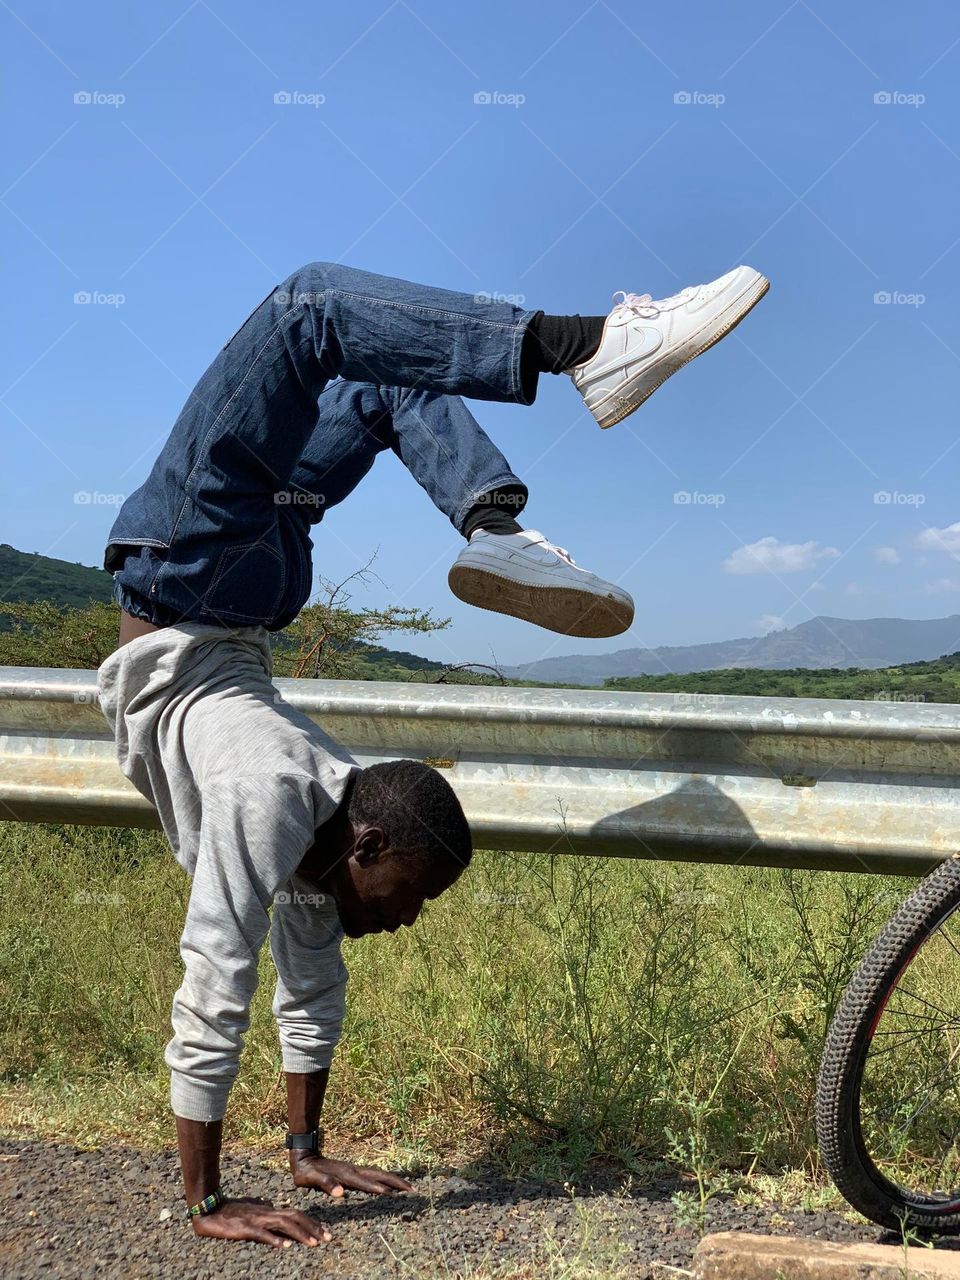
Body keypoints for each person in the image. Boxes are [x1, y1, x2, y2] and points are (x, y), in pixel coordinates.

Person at [95, 259, 768, 1249]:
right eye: (410, 893)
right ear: (364, 843)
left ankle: (499, 518)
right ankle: (579, 367)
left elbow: (302, 987)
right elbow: (217, 980)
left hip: (228, 587)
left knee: (369, 352)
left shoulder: (307, 828)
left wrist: (304, 1147)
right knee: (322, 313)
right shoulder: (284, 794)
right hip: (194, 559)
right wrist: (207, 1202)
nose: (407, 920)